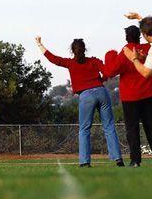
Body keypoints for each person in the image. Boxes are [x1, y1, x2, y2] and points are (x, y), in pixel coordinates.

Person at [36, 36, 124, 167]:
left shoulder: (70, 63)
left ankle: (84, 162)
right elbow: (107, 72)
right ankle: (118, 159)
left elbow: (54, 59)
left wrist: (39, 44)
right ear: (85, 49)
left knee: (84, 129)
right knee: (109, 126)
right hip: (101, 91)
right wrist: (101, 80)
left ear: (72, 51)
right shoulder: (94, 61)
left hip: (86, 95)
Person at [105, 26, 152, 167]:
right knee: (151, 128)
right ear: (140, 35)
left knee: (132, 130)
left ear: (127, 37)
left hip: (130, 97)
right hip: (147, 94)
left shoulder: (125, 51)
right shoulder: (147, 48)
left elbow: (110, 71)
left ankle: (136, 161)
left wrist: (110, 54)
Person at [123, 13, 152, 87]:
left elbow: (146, 73)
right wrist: (138, 17)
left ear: (144, 35)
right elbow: (151, 26)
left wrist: (134, 58)